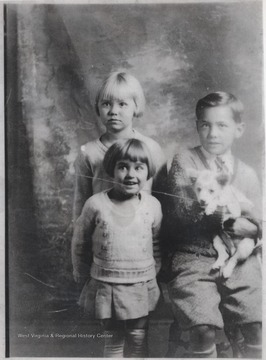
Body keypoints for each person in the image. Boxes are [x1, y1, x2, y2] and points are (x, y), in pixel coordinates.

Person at [163, 92, 262, 358]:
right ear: (197, 126)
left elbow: (259, 220)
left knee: (258, 322)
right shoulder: (184, 162)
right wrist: (229, 219)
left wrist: (254, 229)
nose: (213, 133)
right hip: (193, 256)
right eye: (206, 125)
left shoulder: (248, 173)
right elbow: (183, 213)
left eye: (222, 125)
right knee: (203, 328)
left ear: (239, 129)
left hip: (239, 258)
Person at [72, 139, 162, 358]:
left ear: (148, 172)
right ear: (111, 170)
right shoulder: (96, 204)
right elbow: (80, 241)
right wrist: (80, 271)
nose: (131, 174)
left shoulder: (152, 205)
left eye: (139, 168)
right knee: (113, 339)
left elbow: (157, 243)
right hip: (107, 283)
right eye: (123, 167)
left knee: (137, 336)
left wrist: (154, 272)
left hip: (141, 282)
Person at [73, 70, 165, 223]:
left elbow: (164, 200)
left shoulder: (151, 148)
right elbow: (80, 205)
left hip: (143, 235)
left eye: (122, 104)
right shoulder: (88, 153)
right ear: (98, 107)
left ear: (136, 106)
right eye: (106, 104)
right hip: (102, 237)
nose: (113, 111)